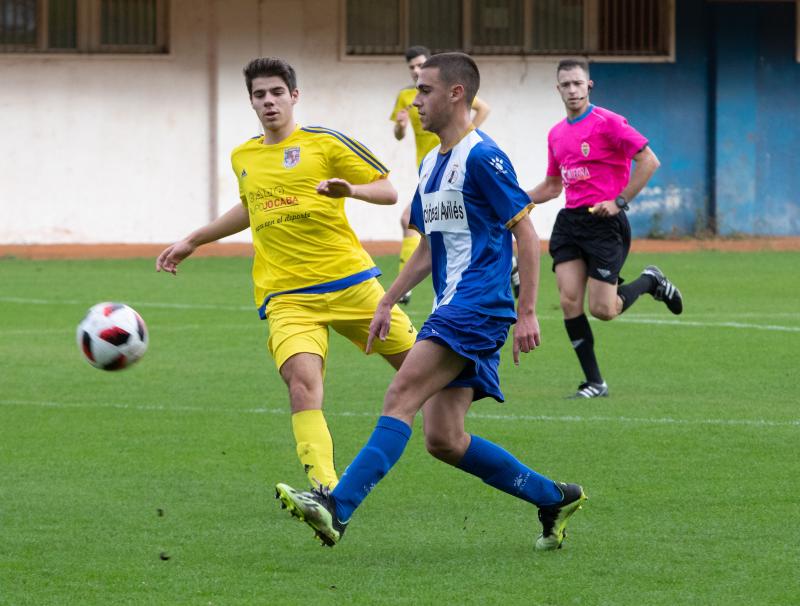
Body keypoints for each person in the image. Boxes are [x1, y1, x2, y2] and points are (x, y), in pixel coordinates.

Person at [276, 52, 586, 551]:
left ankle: (338, 507)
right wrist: (388, 300)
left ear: (456, 94)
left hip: (479, 303)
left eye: (424, 90)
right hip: (453, 305)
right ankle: (554, 497)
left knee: (400, 396)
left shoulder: (483, 157)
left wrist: (527, 310)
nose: (415, 100)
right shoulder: (431, 161)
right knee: (444, 439)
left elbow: (526, 233)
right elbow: (428, 245)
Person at [156, 57, 417, 490]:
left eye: (277, 92)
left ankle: (460, 436)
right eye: (260, 95)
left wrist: (349, 189)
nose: (269, 101)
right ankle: (325, 490)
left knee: (423, 371)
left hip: (352, 285)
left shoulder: (326, 142)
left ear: (294, 96)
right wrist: (194, 240)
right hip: (288, 297)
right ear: (252, 102)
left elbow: (388, 191)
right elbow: (250, 206)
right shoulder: (244, 155)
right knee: (301, 384)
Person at [526, 58, 683, 399]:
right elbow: (552, 187)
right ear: (558, 89)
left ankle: (650, 281)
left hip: (604, 223)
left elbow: (649, 161)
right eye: (565, 85)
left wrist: (620, 201)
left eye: (577, 84)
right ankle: (594, 382)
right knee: (569, 301)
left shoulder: (608, 122)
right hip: (570, 221)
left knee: (603, 310)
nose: (572, 90)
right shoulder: (556, 134)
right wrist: (514, 198)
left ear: (589, 85)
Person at [391, 45, 491, 304]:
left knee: (419, 221)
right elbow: (399, 135)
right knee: (424, 225)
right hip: (430, 168)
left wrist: (463, 138)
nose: (415, 70)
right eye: (411, 67)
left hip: (454, 163)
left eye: (419, 65)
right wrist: (401, 125)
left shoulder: (446, 88)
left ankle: (407, 288)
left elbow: (484, 109)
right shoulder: (406, 97)